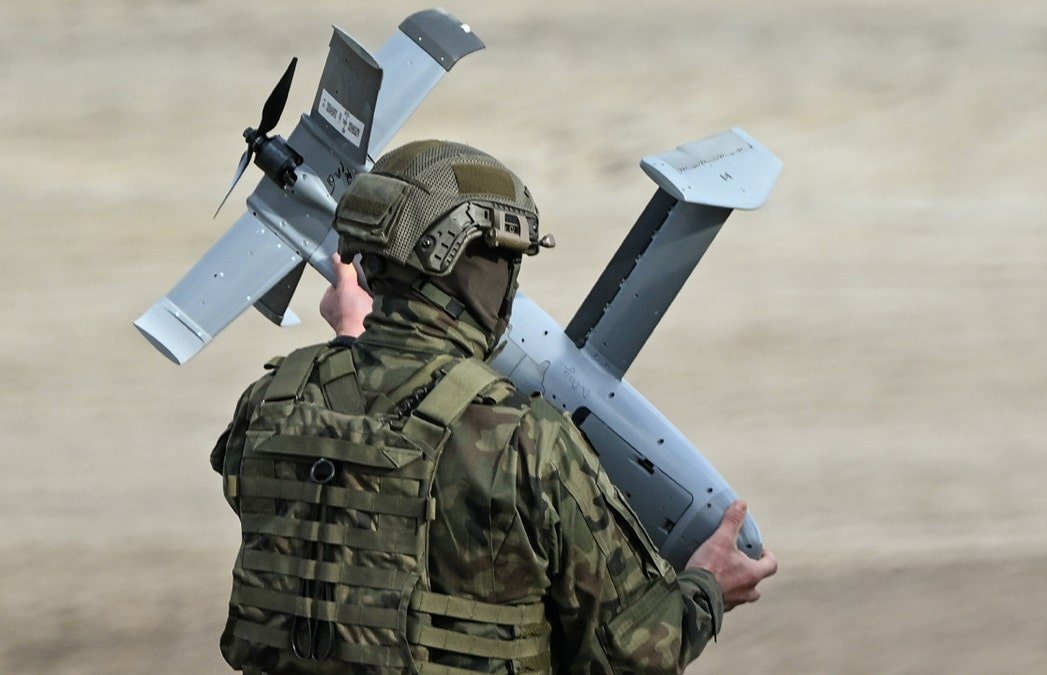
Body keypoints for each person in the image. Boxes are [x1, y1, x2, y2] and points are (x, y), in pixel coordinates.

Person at [211, 140, 777, 674]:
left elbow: (333, 510)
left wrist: (354, 350)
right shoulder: (529, 442)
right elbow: (633, 654)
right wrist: (707, 587)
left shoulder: (270, 403)